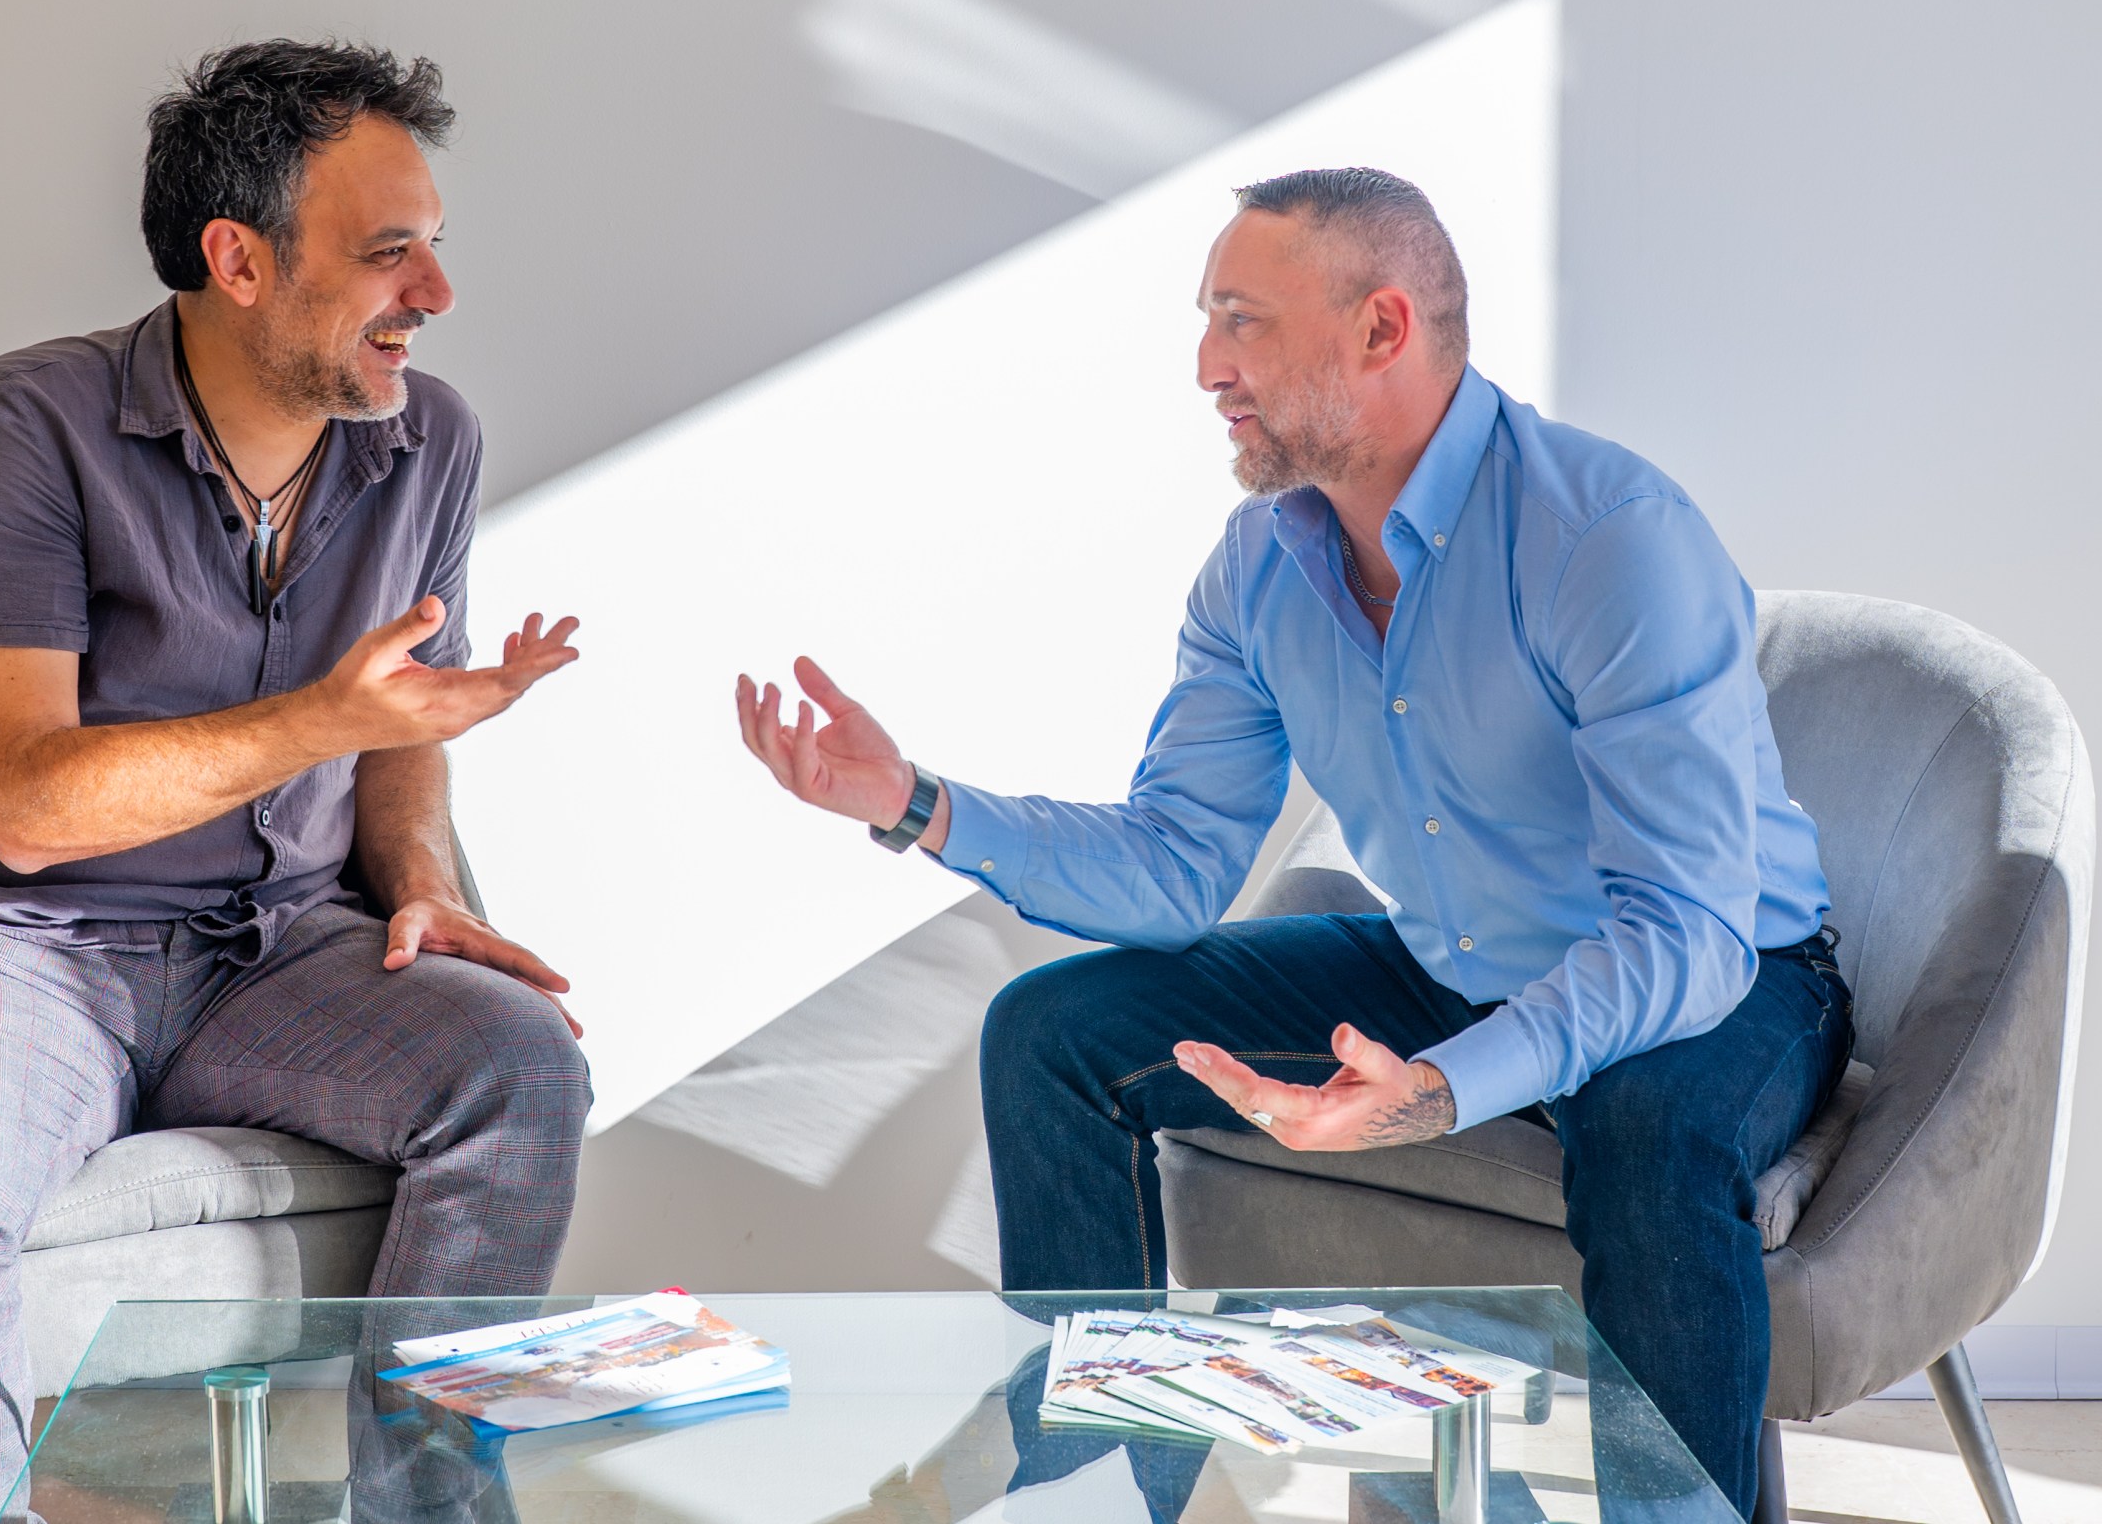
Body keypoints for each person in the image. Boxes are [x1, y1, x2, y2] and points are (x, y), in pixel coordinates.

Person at [734, 167, 1853, 1517]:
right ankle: (1092, 1491)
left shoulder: (1609, 541)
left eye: (1240, 322)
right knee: (1052, 1035)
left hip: (1723, 974)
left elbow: (1685, 930)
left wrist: (1439, 1087)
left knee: (1648, 1131)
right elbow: (1179, 859)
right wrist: (917, 804)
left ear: (1381, 329)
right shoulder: (1260, 566)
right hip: (1455, 957)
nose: (1207, 366)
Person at [0, 40, 591, 1523]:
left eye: (433, 247)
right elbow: (28, 809)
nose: (433, 295)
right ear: (237, 260)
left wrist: (424, 882)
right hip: (10, 946)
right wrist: (323, 717)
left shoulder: (427, 441)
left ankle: (421, 1512)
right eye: (388, 255)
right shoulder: (19, 431)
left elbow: (399, 722)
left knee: (521, 1067)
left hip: (273, 954)